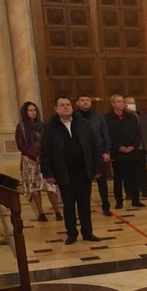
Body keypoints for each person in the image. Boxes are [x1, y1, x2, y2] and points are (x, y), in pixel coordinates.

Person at [39, 95, 103, 244]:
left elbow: (95, 147)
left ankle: (87, 232)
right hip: (64, 173)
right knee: (68, 205)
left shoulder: (84, 124)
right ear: (56, 109)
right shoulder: (49, 127)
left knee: (84, 204)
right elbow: (44, 152)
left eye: (68, 104)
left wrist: (97, 167)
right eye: (62, 105)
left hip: (83, 171)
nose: (66, 107)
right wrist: (48, 173)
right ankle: (71, 234)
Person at [15, 101, 62, 222]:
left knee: (50, 185)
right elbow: (21, 145)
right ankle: (41, 213)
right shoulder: (21, 126)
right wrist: (34, 156)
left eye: (35, 110)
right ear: (25, 112)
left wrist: (46, 155)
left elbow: (49, 140)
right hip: (30, 160)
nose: (33, 113)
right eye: (30, 110)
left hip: (44, 158)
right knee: (35, 188)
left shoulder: (43, 125)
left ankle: (57, 211)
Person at [104, 94, 145, 209]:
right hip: (118, 153)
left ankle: (136, 199)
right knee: (118, 178)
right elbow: (107, 136)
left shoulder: (131, 117)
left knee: (134, 177)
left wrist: (133, 147)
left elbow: (138, 134)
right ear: (113, 104)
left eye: (122, 101)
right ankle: (119, 201)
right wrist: (119, 147)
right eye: (119, 101)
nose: (122, 103)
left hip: (132, 152)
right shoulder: (107, 118)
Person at [74, 94, 112, 215]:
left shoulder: (98, 117)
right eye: (82, 100)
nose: (85, 102)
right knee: (84, 183)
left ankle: (106, 206)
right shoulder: (74, 117)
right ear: (77, 103)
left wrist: (107, 152)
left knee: (102, 181)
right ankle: (84, 208)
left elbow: (105, 135)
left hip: (98, 153)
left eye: (87, 100)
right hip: (82, 155)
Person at [124, 95, 147, 200]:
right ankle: (130, 193)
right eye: (129, 103)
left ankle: (145, 191)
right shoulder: (123, 116)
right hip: (130, 148)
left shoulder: (141, 115)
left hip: (142, 148)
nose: (132, 105)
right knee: (129, 172)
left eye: (133, 103)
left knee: (143, 170)